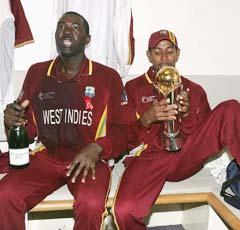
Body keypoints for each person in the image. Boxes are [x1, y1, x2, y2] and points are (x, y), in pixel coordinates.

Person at [0, 11, 130, 230]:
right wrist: (13, 121)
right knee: (5, 195)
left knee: (90, 204)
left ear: (87, 39)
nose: (66, 31)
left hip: (89, 161)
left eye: (75, 27)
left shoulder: (108, 77)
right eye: (61, 26)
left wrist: (98, 147)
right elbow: (29, 130)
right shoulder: (37, 72)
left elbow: (126, 131)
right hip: (48, 157)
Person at [110, 30, 240, 229]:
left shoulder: (194, 89)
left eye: (169, 51)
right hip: (150, 157)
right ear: (148, 55)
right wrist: (147, 119)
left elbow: (204, 137)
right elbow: (123, 138)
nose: (164, 58)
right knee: (124, 210)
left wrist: (187, 115)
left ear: (178, 54)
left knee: (231, 107)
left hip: (185, 155)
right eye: (157, 52)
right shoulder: (133, 88)